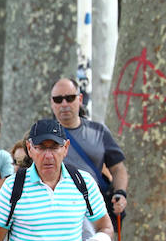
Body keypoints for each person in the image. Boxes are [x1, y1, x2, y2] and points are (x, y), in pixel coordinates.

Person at [50, 77, 129, 218]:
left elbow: (118, 168)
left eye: (69, 98)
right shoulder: (43, 135)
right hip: (58, 211)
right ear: (51, 103)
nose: (64, 104)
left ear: (80, 99)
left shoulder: (99, 131)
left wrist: (120, 193)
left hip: (95, 208)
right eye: (58, 100)